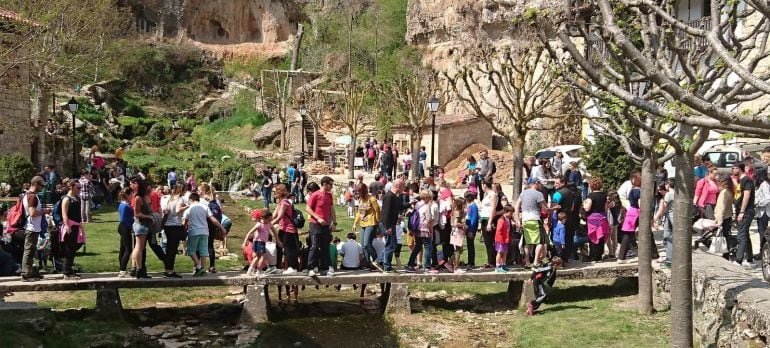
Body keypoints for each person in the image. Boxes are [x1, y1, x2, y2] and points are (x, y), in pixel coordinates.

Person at [183, 192, 226, 276]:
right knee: (203, 251)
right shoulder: (205, 207)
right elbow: (212, 219)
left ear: (190, 200)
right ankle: (203, 270)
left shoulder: (189, 209)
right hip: (205, 232)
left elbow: (185, 222)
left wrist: (183, 231)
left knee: (191, 251)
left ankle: (199, 267)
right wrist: (222, 228)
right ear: (198, 199)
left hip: (194, 231)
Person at [20, 176, 51, 281]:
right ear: (36, 184)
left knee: (31, 251)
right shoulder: (32, 197)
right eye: (41, 185)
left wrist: (42, 210)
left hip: (33, 227)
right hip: (31, 227)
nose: (42, 188)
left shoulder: (28, 195)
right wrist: (44, 211)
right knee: (29, 251)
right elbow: (32, 213)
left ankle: (29, 272)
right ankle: (25, 274)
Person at [306, 176, 337, 277]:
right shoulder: (315, 195)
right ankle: (310, 268)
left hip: (326, 225)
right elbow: (308, 208)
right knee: (314, 246)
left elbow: (332, 210)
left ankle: (324, 268)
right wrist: (318, 218)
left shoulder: (329, 195)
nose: (332, 187)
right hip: (315, 224)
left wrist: (334, 223)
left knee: (325, 246)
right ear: (325, 184)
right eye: (330, 185)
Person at [515, 179, 548, 268]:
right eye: (540, 183)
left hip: (525, 220)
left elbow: (517, 206)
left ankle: (527, 261)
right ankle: (536, 262)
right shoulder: (538, 194)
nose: (541, 185)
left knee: (527, 242)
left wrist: (517, 219)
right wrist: (553, 209)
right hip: (535, 219)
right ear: (536, 183)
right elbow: (545, 208)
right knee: (540, 241)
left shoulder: (523, 193)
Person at [60, 179, 85, 280]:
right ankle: (67, 272)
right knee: (69, 249)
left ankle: (69, 269)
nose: (80, 190)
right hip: (69, 226)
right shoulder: (66, 199)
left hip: (76, 225)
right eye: (78, 188)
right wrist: (67, 226)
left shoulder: (76, 198)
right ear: (71, 187)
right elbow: (64, 213)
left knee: (74, 247)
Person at [405, 190, 435, 273]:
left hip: (417, 229)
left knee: (417, 247)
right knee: (428, 247)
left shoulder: (417, 205)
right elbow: (429, 220)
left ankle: (410, 263)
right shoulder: (427, 206)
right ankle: (427, 266)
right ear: (427, 197)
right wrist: (431, 231)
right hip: (425, 229)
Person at [161, 184, 187, 278]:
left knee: (169, 249)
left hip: (167, 225)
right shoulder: (180, 199)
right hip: (175, 225)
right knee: (172, 250)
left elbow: (164, 210)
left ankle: (167, 270)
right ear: (182, 190)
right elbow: (177, 210)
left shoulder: (169, 198)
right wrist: (187, 207)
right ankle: (170, 271)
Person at [272, 185, 299, 274]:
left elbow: (279, 217)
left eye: (275, 192)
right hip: (283, 228)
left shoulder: (284, 203)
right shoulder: (280, 203)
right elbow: (274, 215)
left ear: (279, 192)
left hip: (289, 229)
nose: (274, 194)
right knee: (279, 247)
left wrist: (270, 224)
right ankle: (277, 266)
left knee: (289, 249)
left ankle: (293, 268)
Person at [352, 183, 380, 270]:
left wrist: (378, 222)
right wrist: (355, 223)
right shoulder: (361, 200)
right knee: (363, 245)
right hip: (362, 224)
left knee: (367, 243)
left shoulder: (372, 199)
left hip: (371, 223)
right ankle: (367, 263)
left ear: (364, 191)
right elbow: (359, 213)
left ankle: (377, 261)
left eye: (359, 192)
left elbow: (378, 211)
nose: (358, 194)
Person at [733, 163, 756, 269]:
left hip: (746, 212)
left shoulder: (747, 180)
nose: (733, 170)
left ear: (740, 169)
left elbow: (746, 196)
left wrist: (742, 212)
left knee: (741, 235)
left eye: (735, 168)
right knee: (745, 234)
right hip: (741, 212)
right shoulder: (740, 181)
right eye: (732, 168)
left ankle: (738, 260)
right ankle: (750, 259)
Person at [583, 177, 612, 262]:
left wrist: (584, 204)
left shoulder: (591, 196)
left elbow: (587, 208)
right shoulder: (604, 195)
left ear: (591, 186)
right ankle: (599, 256)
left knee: (593, 238)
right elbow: (606, 208)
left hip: (592, 219)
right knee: (601, 237)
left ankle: (593, 257)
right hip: (602, 218)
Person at [130, 179, 154, 279]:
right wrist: (149, 217)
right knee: (139, 248)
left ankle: (137, 269)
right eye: (148, 186)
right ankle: (138, 269)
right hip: (140, 225)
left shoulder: (145, 197)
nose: (150, 188)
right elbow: (136, 213)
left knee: (140, 248)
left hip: (145, 225)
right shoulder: (138, 198)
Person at [246, 211, 280, 276]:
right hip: (258, 242)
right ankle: (257, 271)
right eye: (269, 219)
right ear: (264, 218)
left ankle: (251, 270)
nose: (270, 221)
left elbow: (274, 232)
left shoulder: (269, 224)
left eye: (271, 219)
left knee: (258, 257)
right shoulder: (259, 224)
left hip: (262, 243)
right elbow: (249, 232)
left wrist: (277, 240)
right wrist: (245, 242)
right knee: (262, 256)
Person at [617, 174, 641, 264]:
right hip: (637, 213)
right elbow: (640, 203)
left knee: (627, 235)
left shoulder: (631, 191)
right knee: (647, 234)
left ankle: (621, 257)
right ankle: (654, 255)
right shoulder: (639, 191)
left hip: (631, 212)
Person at [653, 180, 675, 269]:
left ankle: (670, 260)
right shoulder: (677, 193)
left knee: (667, 238)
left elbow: (662, 208)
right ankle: (670, 259)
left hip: (670, 218)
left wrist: (654, 219)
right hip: (673, 218)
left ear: (668, 185)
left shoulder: (669, 194)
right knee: (670, 238)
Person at [714, 175, 736, 260]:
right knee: (726, 235)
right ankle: (726, 253)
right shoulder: (729, 191)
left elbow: (722, 207)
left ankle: (725, 254)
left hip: (724, 217)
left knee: (724, 236)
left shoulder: (724, 192)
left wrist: (719, 220)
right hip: (728, 216)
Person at [117, 188, 134, 278]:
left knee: (123, 249)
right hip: (124, 227)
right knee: (128, 249)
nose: (132, 196)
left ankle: (122, 269)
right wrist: (130, 226)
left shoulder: (125, 204)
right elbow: (123, 218)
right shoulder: (124, 205)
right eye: (131, 194)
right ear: (127, 195)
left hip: (124, 227)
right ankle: (122, 271)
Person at [449, 197, 467, 273]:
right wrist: (463, 225)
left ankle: (449, 263)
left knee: (459, 249)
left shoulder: (457, 211)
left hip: (457, 232)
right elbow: (455, 223)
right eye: (464, 204)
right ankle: (456, 267)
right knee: (458, 250)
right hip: (457, 232)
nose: (465, 205)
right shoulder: (457, 212)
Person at [495, 205, 513, 273]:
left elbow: (508, 230)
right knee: (500, 252)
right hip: (500, 240)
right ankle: (497, 266)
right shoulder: (501, 220)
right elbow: (498, 231)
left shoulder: (508, 219)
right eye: (510, 213)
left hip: (506, 239)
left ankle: (503, 265)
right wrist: (501, 239)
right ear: (505, 212)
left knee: (505, 252)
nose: (511, 215)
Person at [464, 191, 479, 270]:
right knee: (469, 245)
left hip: (471, 228)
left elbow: (474, 219)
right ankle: (469, 261)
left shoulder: (473, 207)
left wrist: (471, 230)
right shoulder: (470, 206)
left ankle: (471, 262)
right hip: (468, 227)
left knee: (471, 245)